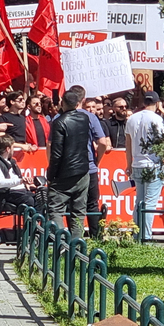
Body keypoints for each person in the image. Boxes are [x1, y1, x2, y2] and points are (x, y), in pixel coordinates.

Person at [48, 91, 92, 238]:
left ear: (63, 103)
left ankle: (61, 243)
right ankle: (77, 246)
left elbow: (56, 153)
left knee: (55, 209)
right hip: (83, 170)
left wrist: (51, 175)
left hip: (64, 172)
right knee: (78, 211)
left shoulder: (59, 122)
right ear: (78, 103)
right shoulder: (84, 118)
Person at [125, 91, 164, 241]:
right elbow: (163, 142)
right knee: (149, 203)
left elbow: (128, 143)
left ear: (144, 103)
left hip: (137, 163)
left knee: (140, 202)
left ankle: (137, 235)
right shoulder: (157, 119)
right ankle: (146, 237)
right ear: (157, 104)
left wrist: (128, 164)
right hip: (153, 163)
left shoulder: (131, 118)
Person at [71, 85, 110, 238]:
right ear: (83, 99)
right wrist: (97, 159)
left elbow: (50, 145)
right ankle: (95, 237)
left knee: (72, 203)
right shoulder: (90, 117)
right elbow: (102, 142)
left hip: (69, 167)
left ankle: (73, 238)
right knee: (92, 203)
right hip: (89, 166)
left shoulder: (60, 117)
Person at [0, 134, 35, 213]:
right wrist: (20, 181)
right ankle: (31, 224)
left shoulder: (11, 162)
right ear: (8, 149)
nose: (13, 150)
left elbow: (16, 177)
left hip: (19, 191)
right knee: (29, 200)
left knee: (41, 196)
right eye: (12, 147)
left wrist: (25, 184)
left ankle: (39, 223)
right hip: (5, 195)